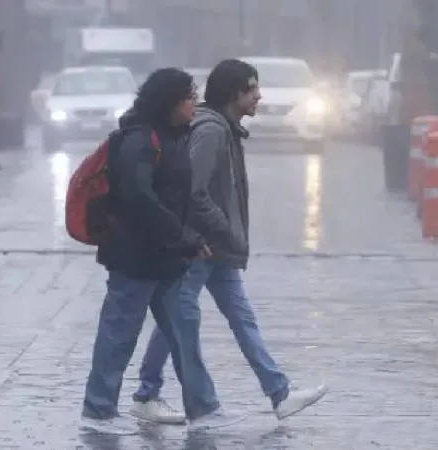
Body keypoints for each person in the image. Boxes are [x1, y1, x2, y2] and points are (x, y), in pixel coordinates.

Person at [128, 59, 328, 425]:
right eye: (252, 89)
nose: (259, 96)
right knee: (178, 317)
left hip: (216, 248)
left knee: (238, 317)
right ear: (234, 94)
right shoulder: (212, 131)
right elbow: (194, 190)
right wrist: (224, 230)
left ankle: (279, 393)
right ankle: (151, 393)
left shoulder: (226, 128)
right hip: (202, 245)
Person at [80, 68, 246, 435]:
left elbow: (176, 197)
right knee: (118, 335)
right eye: (188, 98)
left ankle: (204, 408)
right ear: (169, 102)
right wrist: (183, 236)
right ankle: (98, 410)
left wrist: (188, 240)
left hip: (168, 258)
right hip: (135, 258)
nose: (194, 104)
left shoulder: (172, 136)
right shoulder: (139, 140)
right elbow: (141, 200)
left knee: (183, 333)